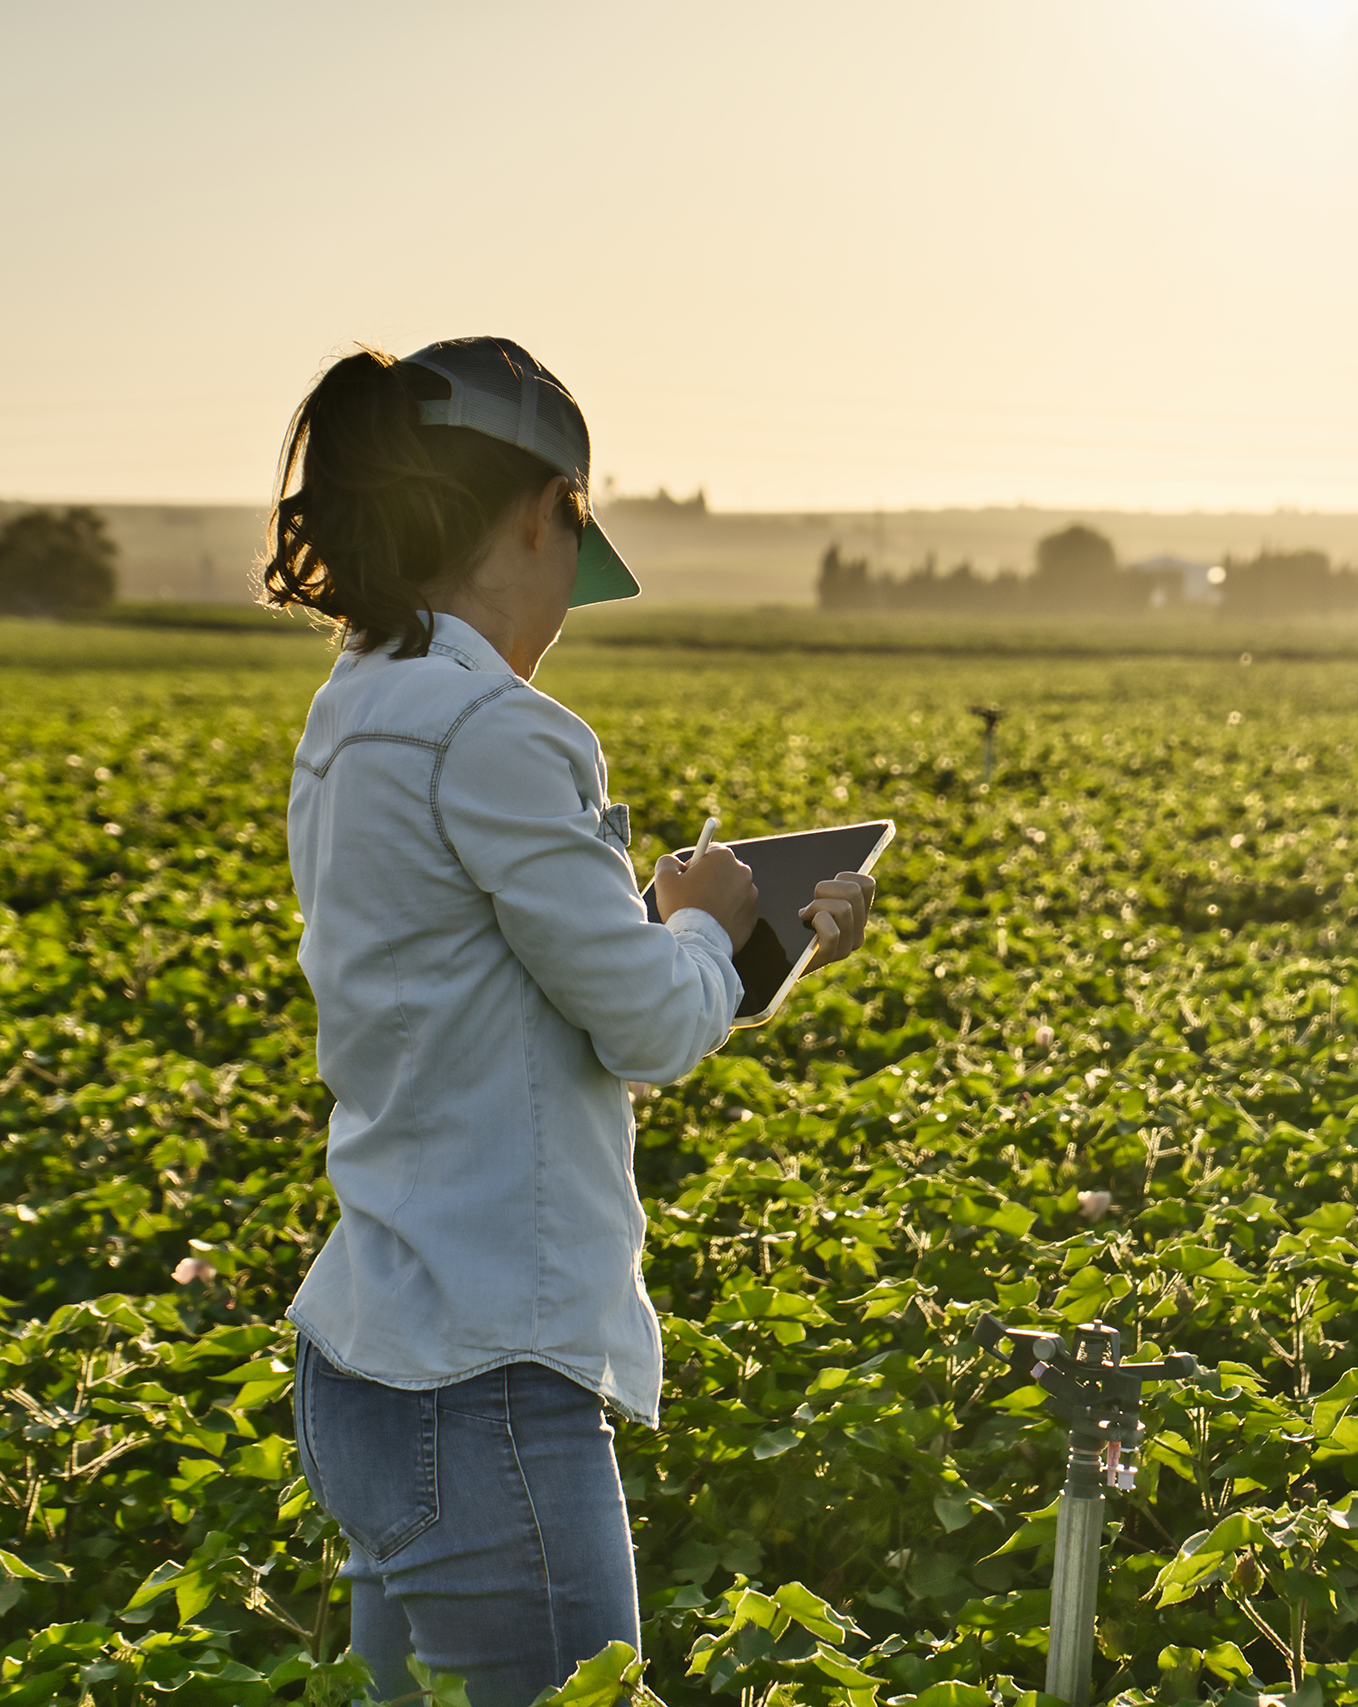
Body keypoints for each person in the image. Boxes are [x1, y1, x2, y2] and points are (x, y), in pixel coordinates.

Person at [259, 337, 876, 1703]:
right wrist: (711, 918)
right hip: (486, 1380)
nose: (561, 614)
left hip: (373, 1357)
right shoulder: (507, 730)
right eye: (569, 564)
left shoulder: (353, 709)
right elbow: (650, 1032)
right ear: (543, 515)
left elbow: (534, 1012)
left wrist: (723, 952)